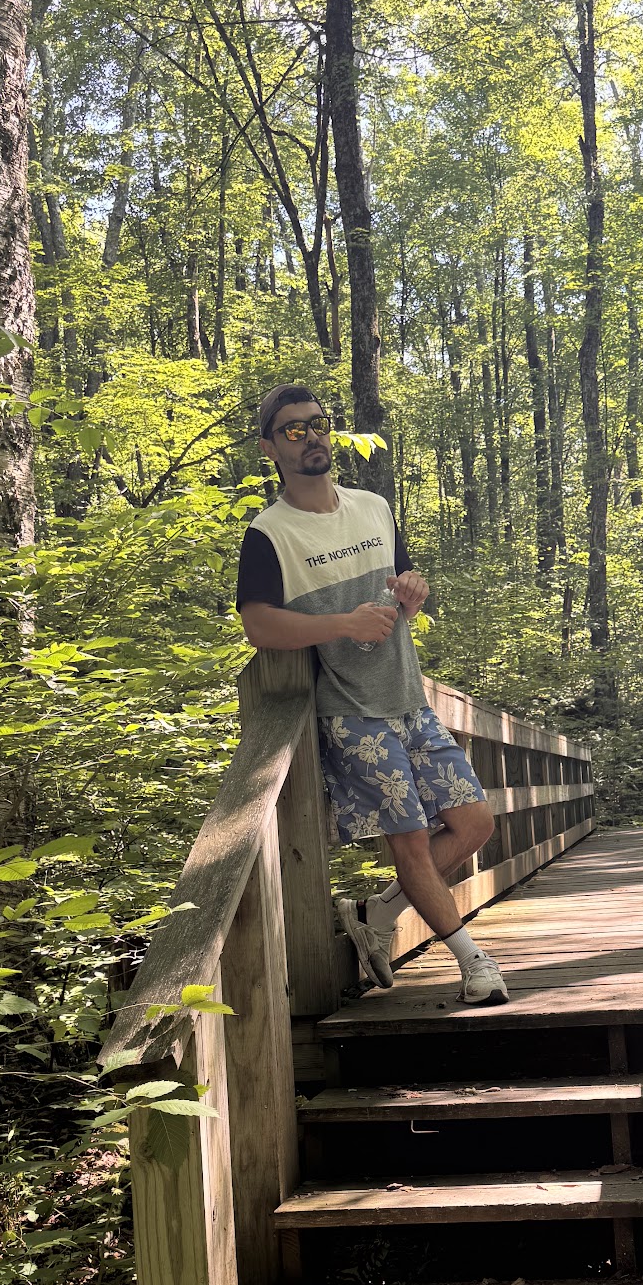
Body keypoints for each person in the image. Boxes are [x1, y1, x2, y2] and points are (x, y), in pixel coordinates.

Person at [235, 384, 508, 1007]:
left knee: (474, 823)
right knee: (409, 840)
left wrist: (412, 592)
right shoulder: (270, 534)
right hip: (350, 712)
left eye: (318, 423)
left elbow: (404, 589)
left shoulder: (374, 507)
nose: (311, 437)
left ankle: (376, 915)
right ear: (270, 449)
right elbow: (259, 625)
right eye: (294, 430)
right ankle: (473, 962)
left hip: (409, 699)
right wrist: (342, 624)